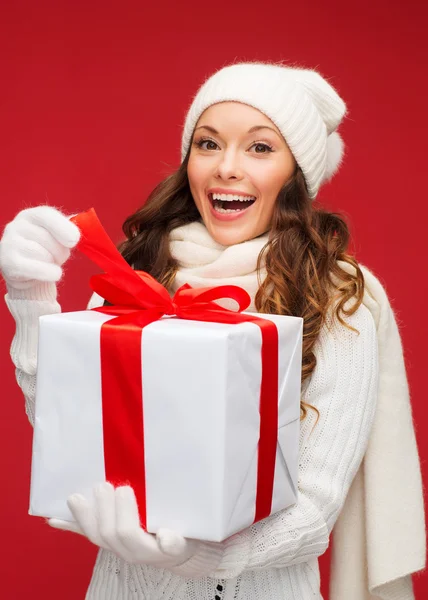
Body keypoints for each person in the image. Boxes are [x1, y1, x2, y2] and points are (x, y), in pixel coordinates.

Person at [0, 61, 422, 599]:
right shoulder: (141, 277)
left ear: (295, 175)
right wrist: (30, 298)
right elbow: (70, 434)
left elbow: (315, 510)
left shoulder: (337, 297)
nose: (227, 167)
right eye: (208, 144)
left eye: (260, 147)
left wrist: (201, 556)